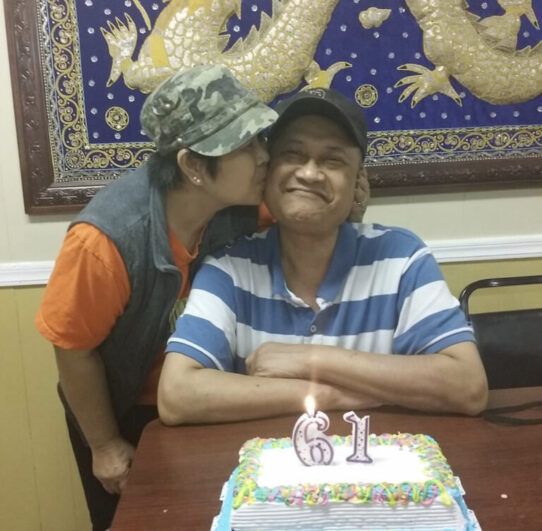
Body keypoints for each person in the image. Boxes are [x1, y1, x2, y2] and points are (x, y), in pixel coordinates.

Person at [35, 64, 278, 531]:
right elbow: (73, 349)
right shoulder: (104, 240)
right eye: (245, 145)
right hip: (122, 409)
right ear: (192, 166)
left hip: (205, 396)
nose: (263, 155)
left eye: (260, 139)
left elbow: (305, 213)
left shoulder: (244, 206)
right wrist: (104, 444)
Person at [158, 88, 489, 426]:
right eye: (292, 154)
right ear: (267, 172)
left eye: (333, 161)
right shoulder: (229, 268)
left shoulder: (401, 257)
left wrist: (310, 360)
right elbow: (177, 395)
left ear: (358, 182)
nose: (310, 173)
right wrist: (327, 396)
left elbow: (467, 386)